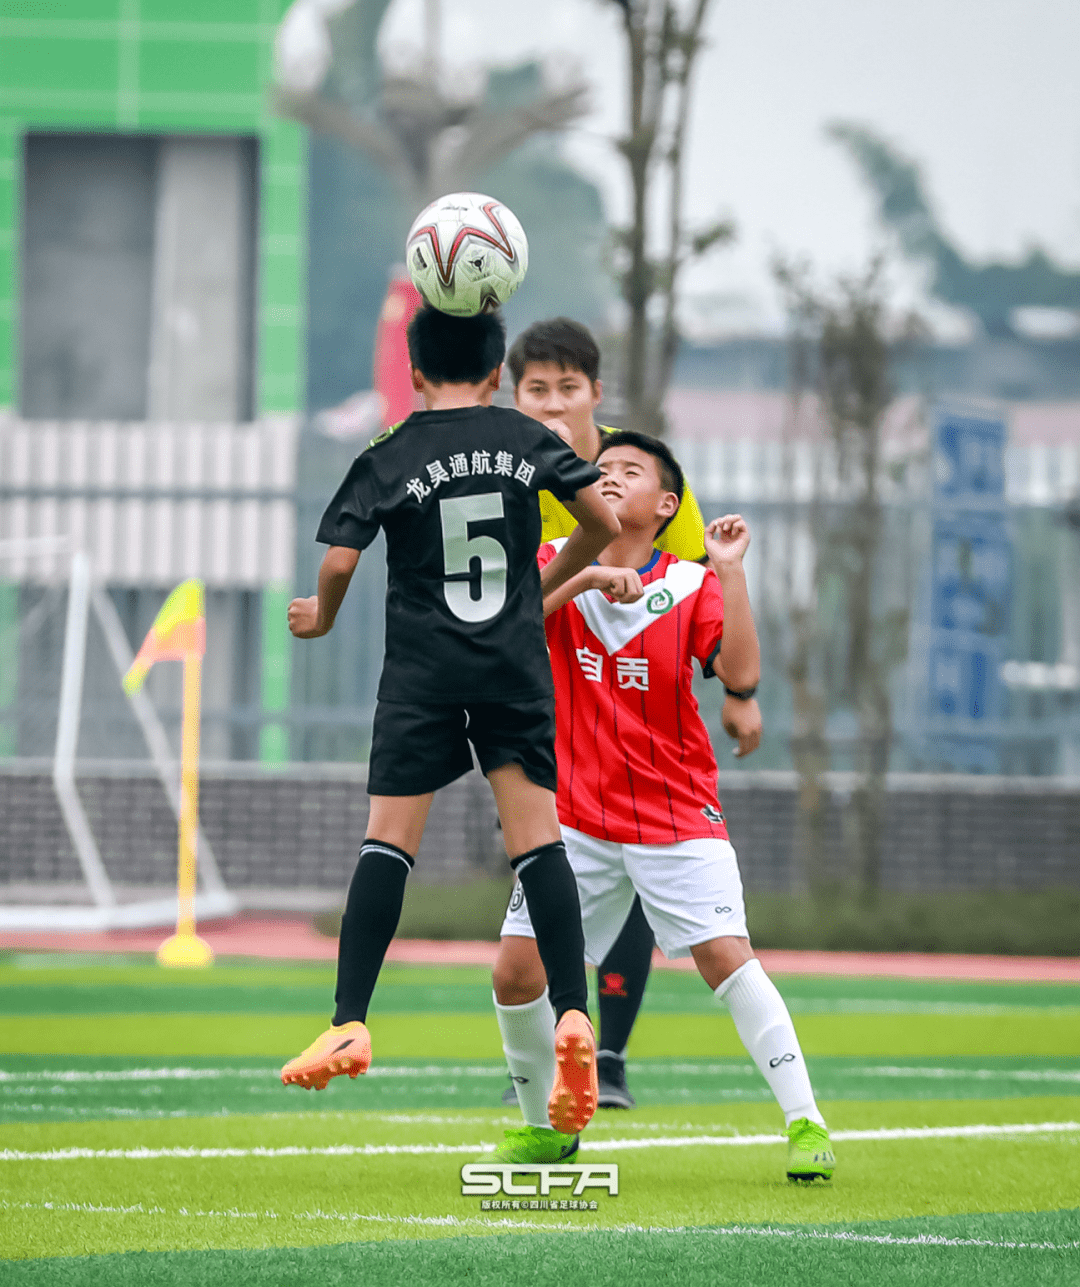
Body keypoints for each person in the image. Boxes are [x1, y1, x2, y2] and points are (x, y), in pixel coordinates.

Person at [279, 306, 622, 1138]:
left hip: (422, 675)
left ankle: (350, 1018)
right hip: (509, 668)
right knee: (537, 840)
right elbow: (604, 525)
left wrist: (321, 616)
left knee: (387, 841)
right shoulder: (519, 435)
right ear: (500, 372)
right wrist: (540, 591)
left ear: (415, 374)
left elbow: (337, 559)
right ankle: (574, 1012)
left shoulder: (387, 451)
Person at [485, 431, 836, 1182]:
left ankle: (806, 1121)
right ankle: (547, 1132)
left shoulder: (691, 584)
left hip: (673, 813)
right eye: (600, 468)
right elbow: (506, 629)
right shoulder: (552, 562)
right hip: (570, 817)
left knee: (725, 958)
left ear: (664, 504)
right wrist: (585, 582)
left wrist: (732, 573)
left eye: (630, 470)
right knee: (516, 974)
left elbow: (739, 672)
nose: (609, 476)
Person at [505, 317, 762, 1109]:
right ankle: (548, 1073)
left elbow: (689, 593)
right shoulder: (499, 470)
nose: (551, 403)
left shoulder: (634, 472)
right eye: (535, 389)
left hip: (619, 721)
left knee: (627, 881)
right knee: (537, 915)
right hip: (523, 705)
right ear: (514, 396)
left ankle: (604, 1052)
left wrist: (740, 694)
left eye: (566, 388)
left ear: (595, 394)